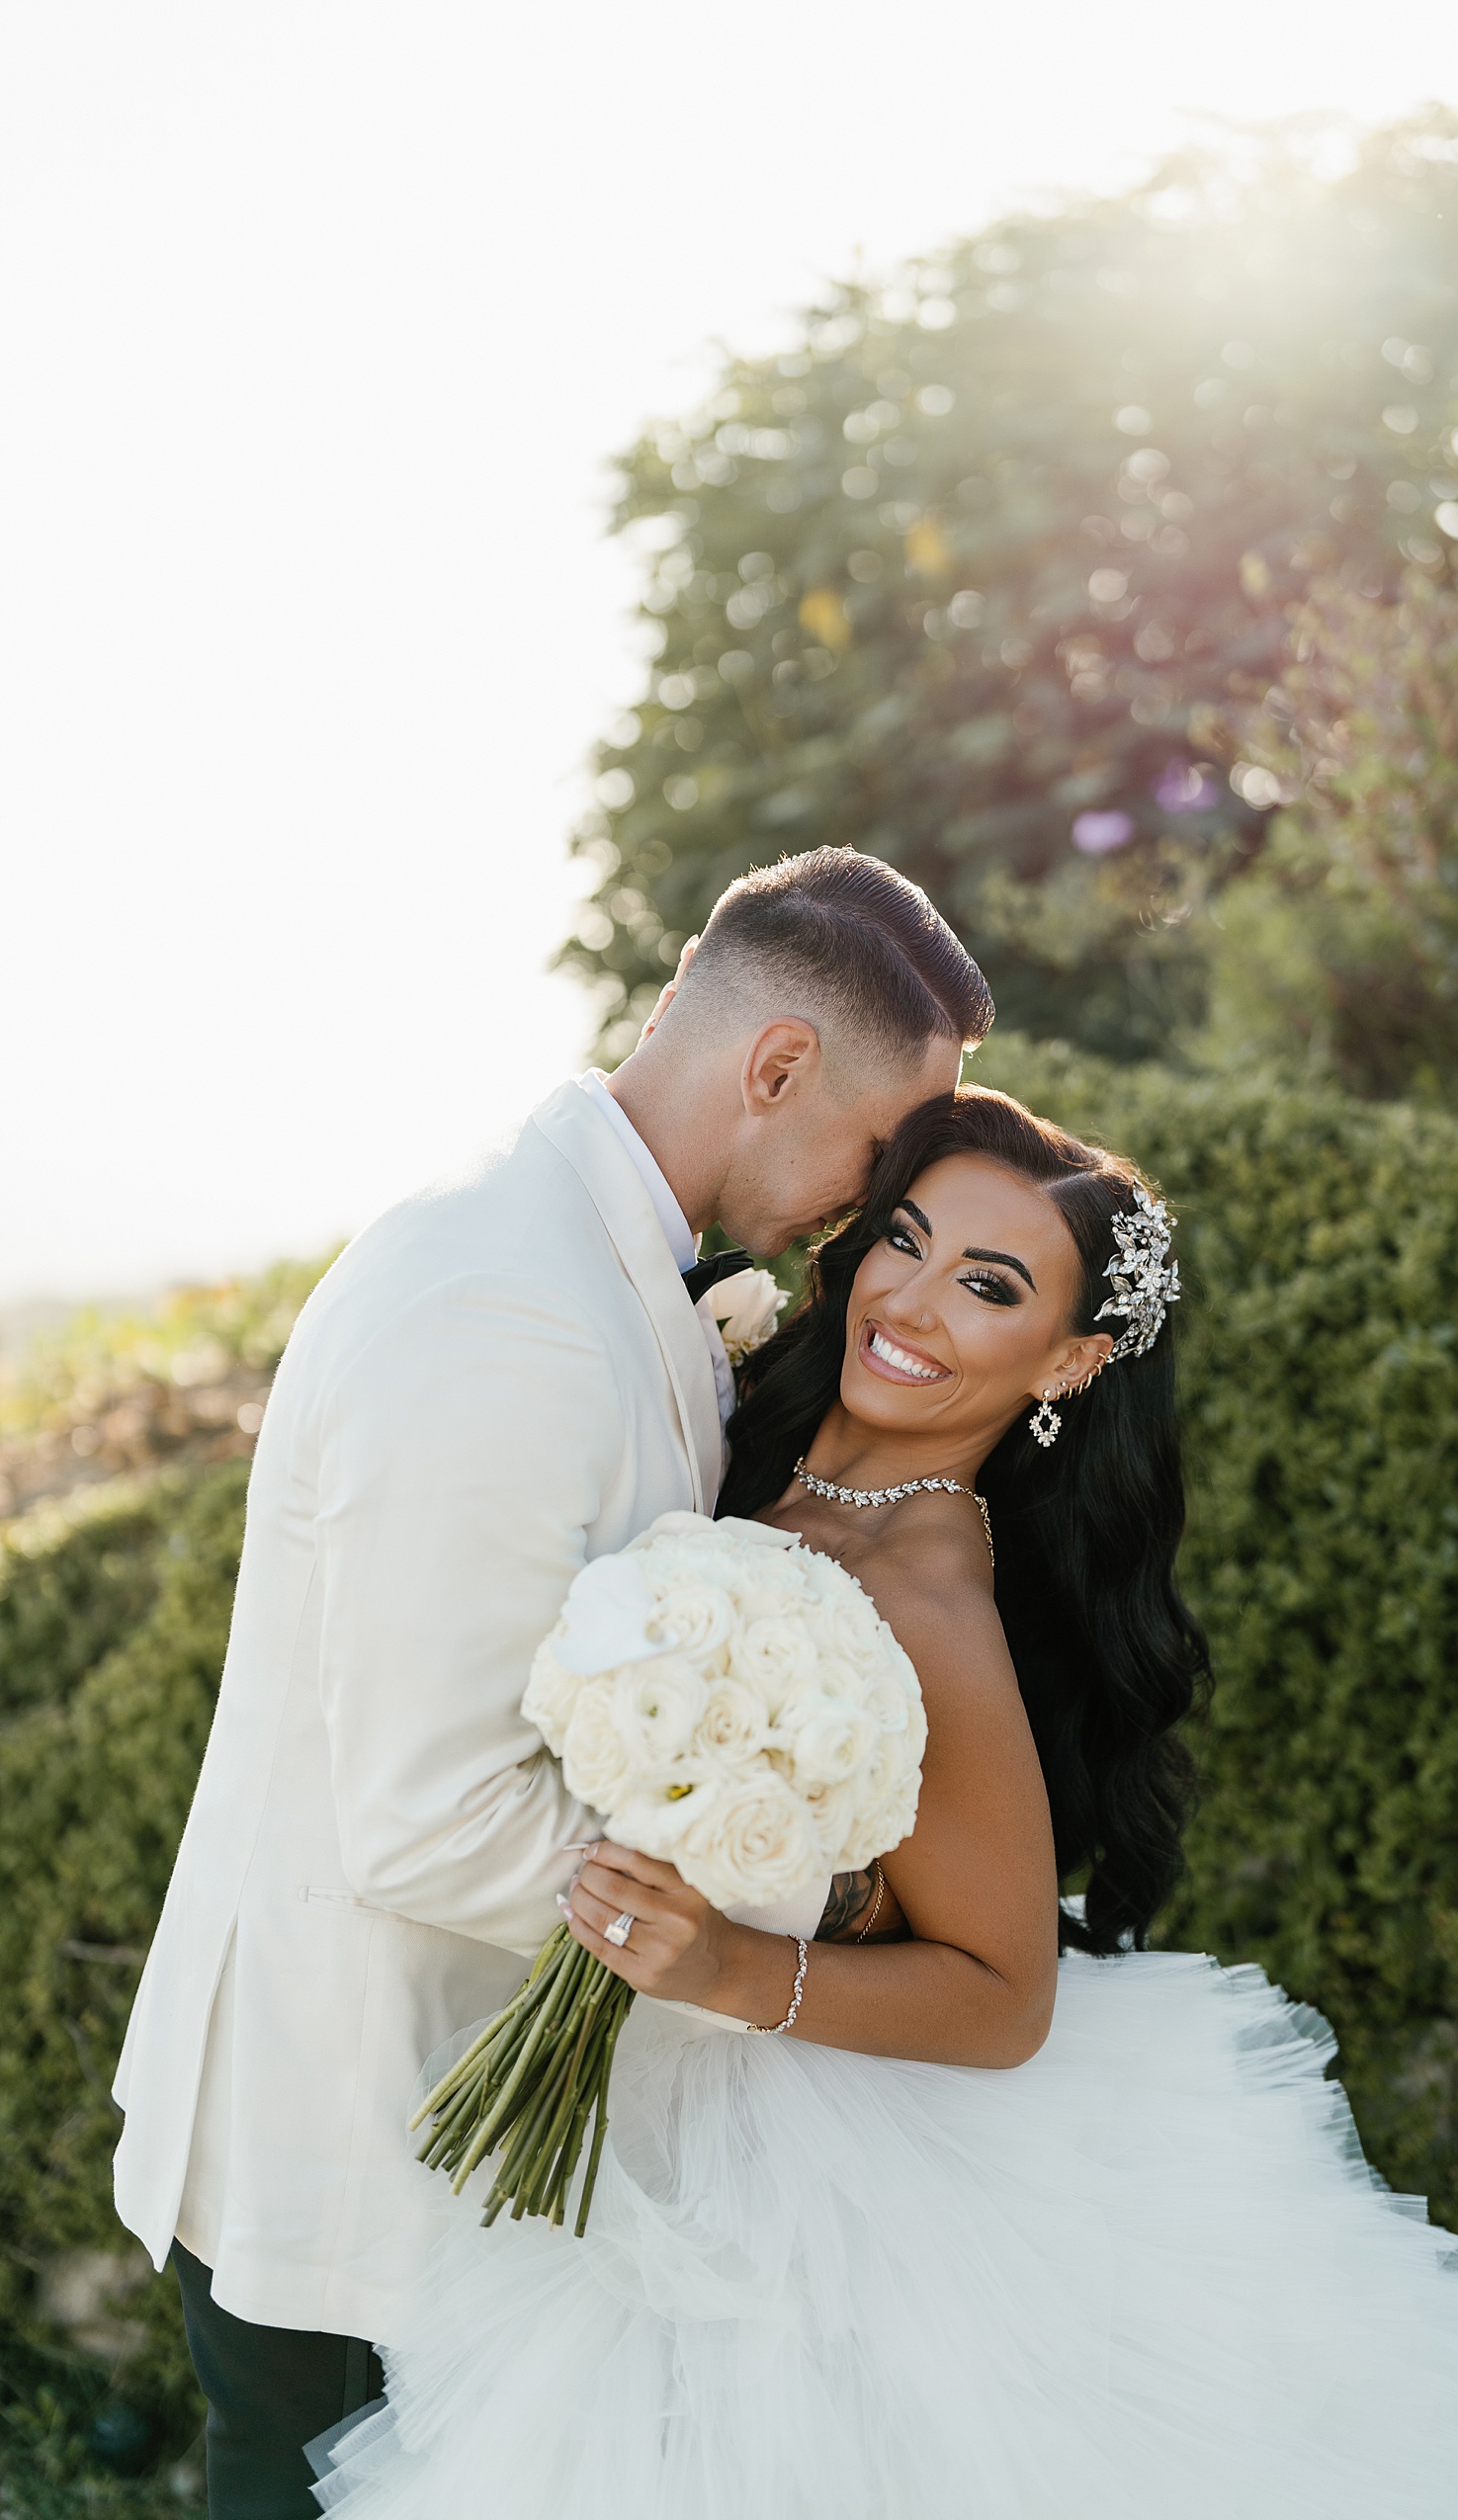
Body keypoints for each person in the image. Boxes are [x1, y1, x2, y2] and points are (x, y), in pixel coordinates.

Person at [313, 1086, 1458, 2518]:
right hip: (657, 2105)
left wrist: (727, 1963)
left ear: (1072, 1359)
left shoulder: (929, 1593)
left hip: (823, 2186)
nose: (908, 1300)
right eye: (903, 1241)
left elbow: (1003, 1990)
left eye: (990, 1286)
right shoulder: (757, 1460)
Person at [110, 847, 994, 2520]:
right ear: (778, 1065)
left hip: (460, 2147)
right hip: (361, 2155)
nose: (870, 1211)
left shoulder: (592, 1267)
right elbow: (429, 1821)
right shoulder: (498, 1303)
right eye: (878, 1159)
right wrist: (783, 1911)